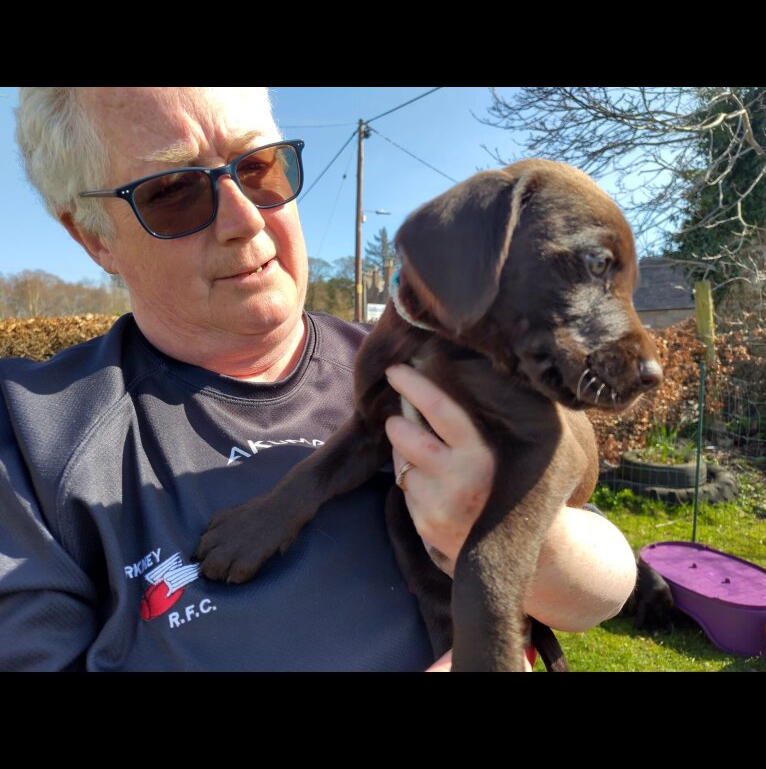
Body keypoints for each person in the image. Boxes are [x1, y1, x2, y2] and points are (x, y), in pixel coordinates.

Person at [0, 87, 637, 671]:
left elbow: (600, 587)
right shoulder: (31, 437)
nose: (245, 219)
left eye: (260, 166)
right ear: (94, 237)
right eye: (173, 191)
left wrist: (513, 543)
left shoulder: (415, 353)